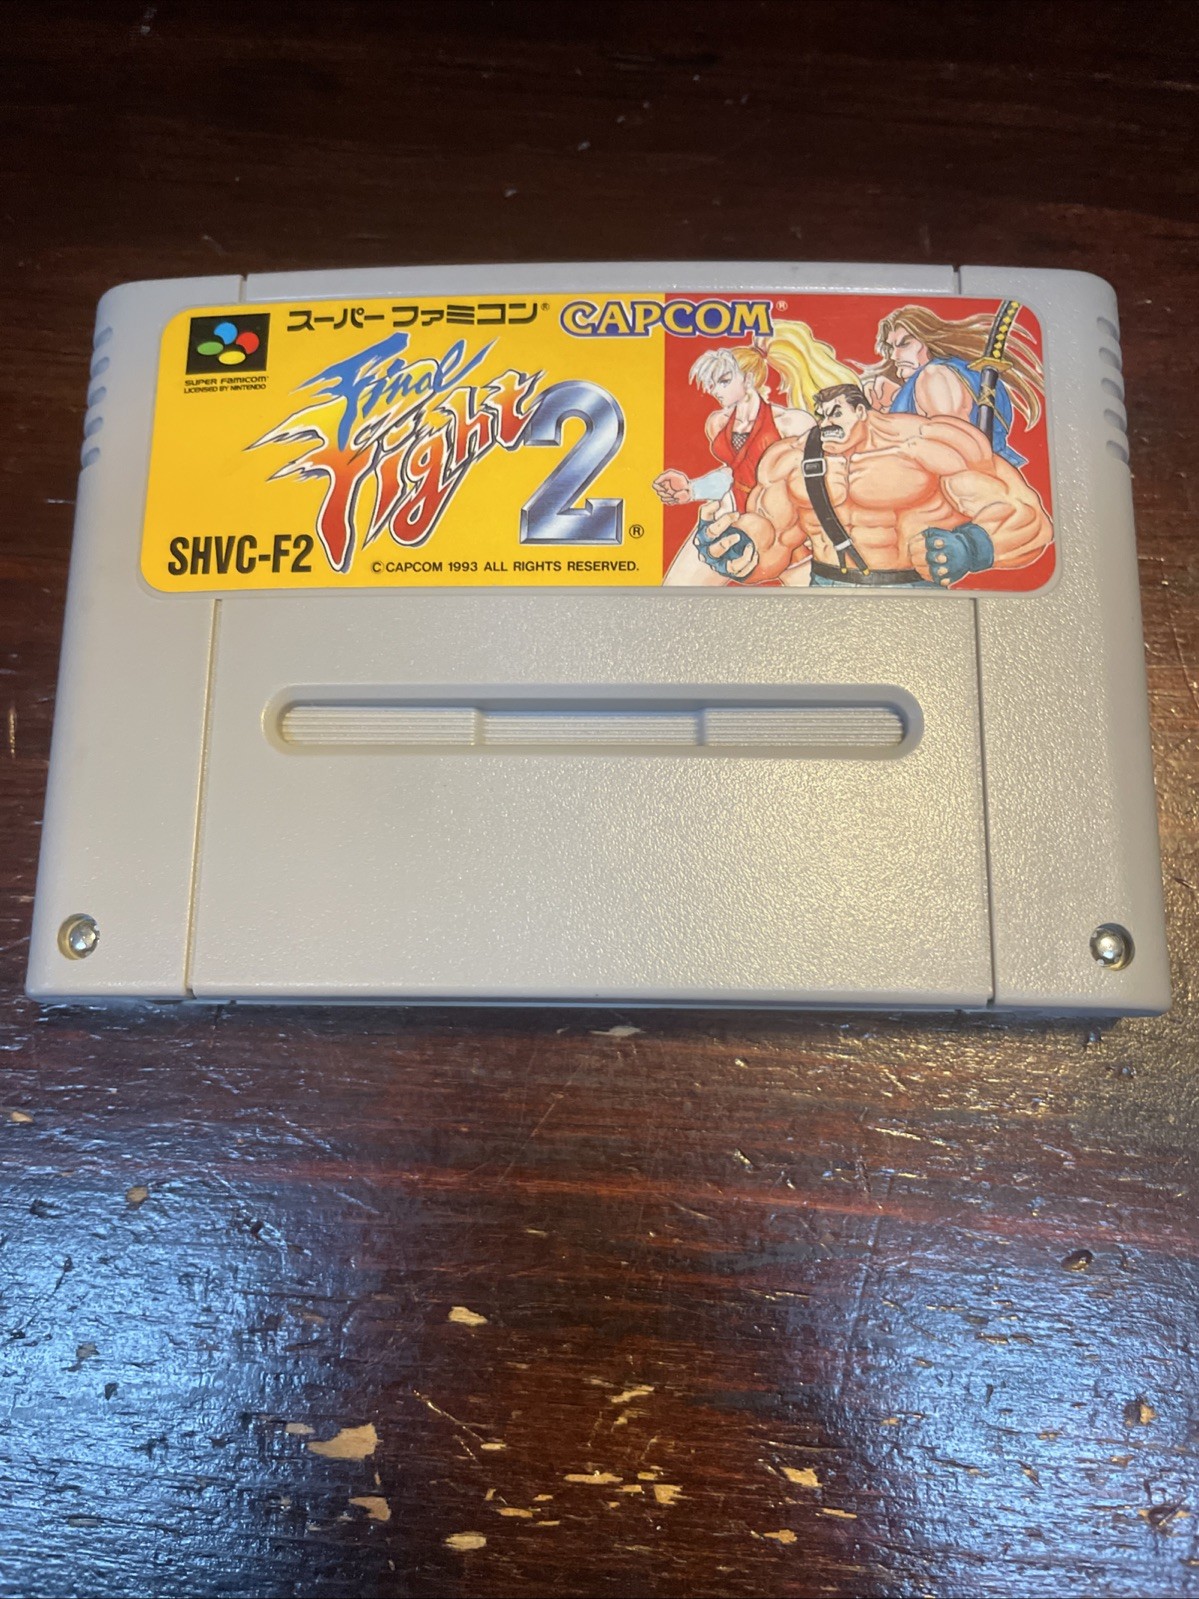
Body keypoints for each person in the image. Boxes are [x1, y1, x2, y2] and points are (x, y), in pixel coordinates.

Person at [690, 383, 1052, 588]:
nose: (826, 423)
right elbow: (772, 538)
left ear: (861, 410)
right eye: (821, 415)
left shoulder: (929, 443)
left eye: (836, 413)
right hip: (826, 593)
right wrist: (735, 548)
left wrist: (970, 547)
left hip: (915, 594)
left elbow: (1026, 518)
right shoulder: (790, 458)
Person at [859, 304, 1044, 468]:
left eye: (904, 344)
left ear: (928, 341)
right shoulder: (949, 374)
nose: (894, 356)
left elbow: (954, 450)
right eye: (891, 347)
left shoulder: (934, 376)